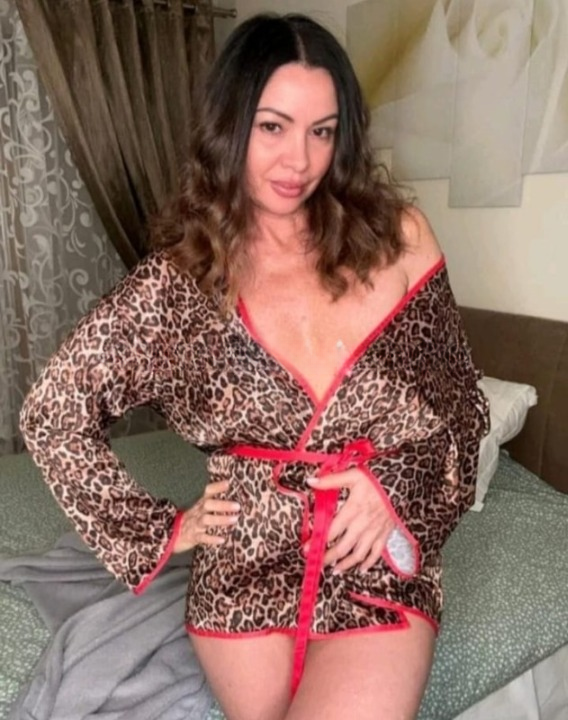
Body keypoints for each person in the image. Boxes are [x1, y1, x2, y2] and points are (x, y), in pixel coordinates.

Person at [20, 12, 489, 720]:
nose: (298, 159)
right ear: (231, 126)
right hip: (243, 562)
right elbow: (53, 413)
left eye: (321, 131)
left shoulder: (399, 239)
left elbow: (461, 408)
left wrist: (392, 488)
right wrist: (163, 530)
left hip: (368, 557)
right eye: (273, 126)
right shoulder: (181, 283)